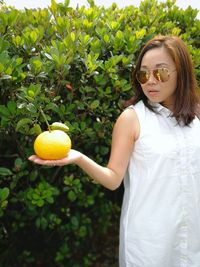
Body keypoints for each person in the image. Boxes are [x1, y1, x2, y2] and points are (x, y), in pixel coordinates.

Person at [29, 35, 200, 267]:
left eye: (161, 73)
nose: (150, 81)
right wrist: (78, 158)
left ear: (182, 73)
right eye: (143, 74)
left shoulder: (195, 115)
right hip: (150, 239)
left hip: (192, 233)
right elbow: (113, 180)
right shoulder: (132, 119)